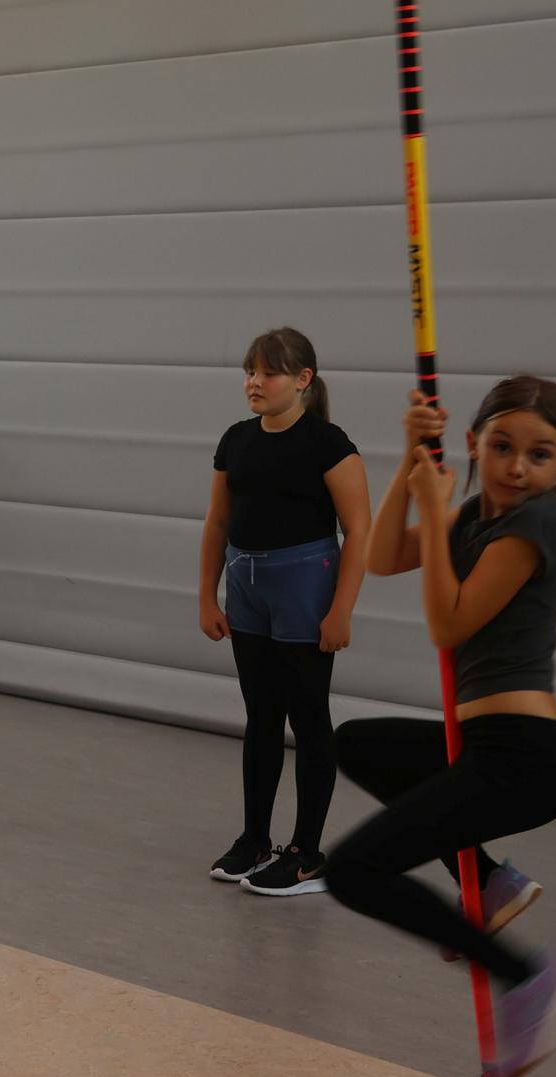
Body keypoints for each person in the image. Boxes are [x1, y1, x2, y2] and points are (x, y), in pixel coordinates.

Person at [330, 376, 556, 1077]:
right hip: (487, 745)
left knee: (354, 870)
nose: (517, 467)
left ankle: (527, 977)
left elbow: (448, 624)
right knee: (357, 743)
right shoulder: (479, 514)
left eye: (539, 454)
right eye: (502, 446)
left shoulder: (537, 523)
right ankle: (485, 879)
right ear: (475, 443)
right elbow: (383, 557)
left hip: (525, 758)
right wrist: (410, 461)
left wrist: (431, 506)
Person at [199, 328, 370, 895]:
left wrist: (341, 609)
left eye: (268, 372)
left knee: (309, 716)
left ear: (303, 380)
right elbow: (218, 522)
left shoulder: (328, 444)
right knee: (262, 717)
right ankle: (255, 838)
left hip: (304, 590)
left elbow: (359, 530)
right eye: (249, 371)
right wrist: (207, 595)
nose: (254, 382)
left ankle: (306, 853)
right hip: (247, 589)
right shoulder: (236, 440)